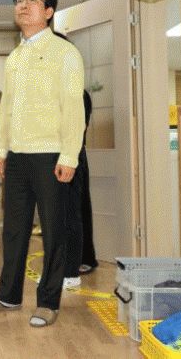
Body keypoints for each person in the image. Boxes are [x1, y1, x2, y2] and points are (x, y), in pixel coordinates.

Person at [0, 0, 85, 328]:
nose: (23, 5)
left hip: (51, 155)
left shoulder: (65, 52)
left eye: (32, 0)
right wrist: (1, 149)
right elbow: (7, 107)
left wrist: (70, 155)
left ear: (48, 12)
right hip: (18, 157)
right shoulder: (15, 56)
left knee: (53, 232)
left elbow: (73, 107)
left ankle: (48, 302)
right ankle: (8, 295)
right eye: (19, 0)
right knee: (13, 230)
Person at [76, 90, 98, 274]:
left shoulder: (80, 94)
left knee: (79, 208)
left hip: (75, 155)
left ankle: (86, 258)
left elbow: (80, 126)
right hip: (56, 156)